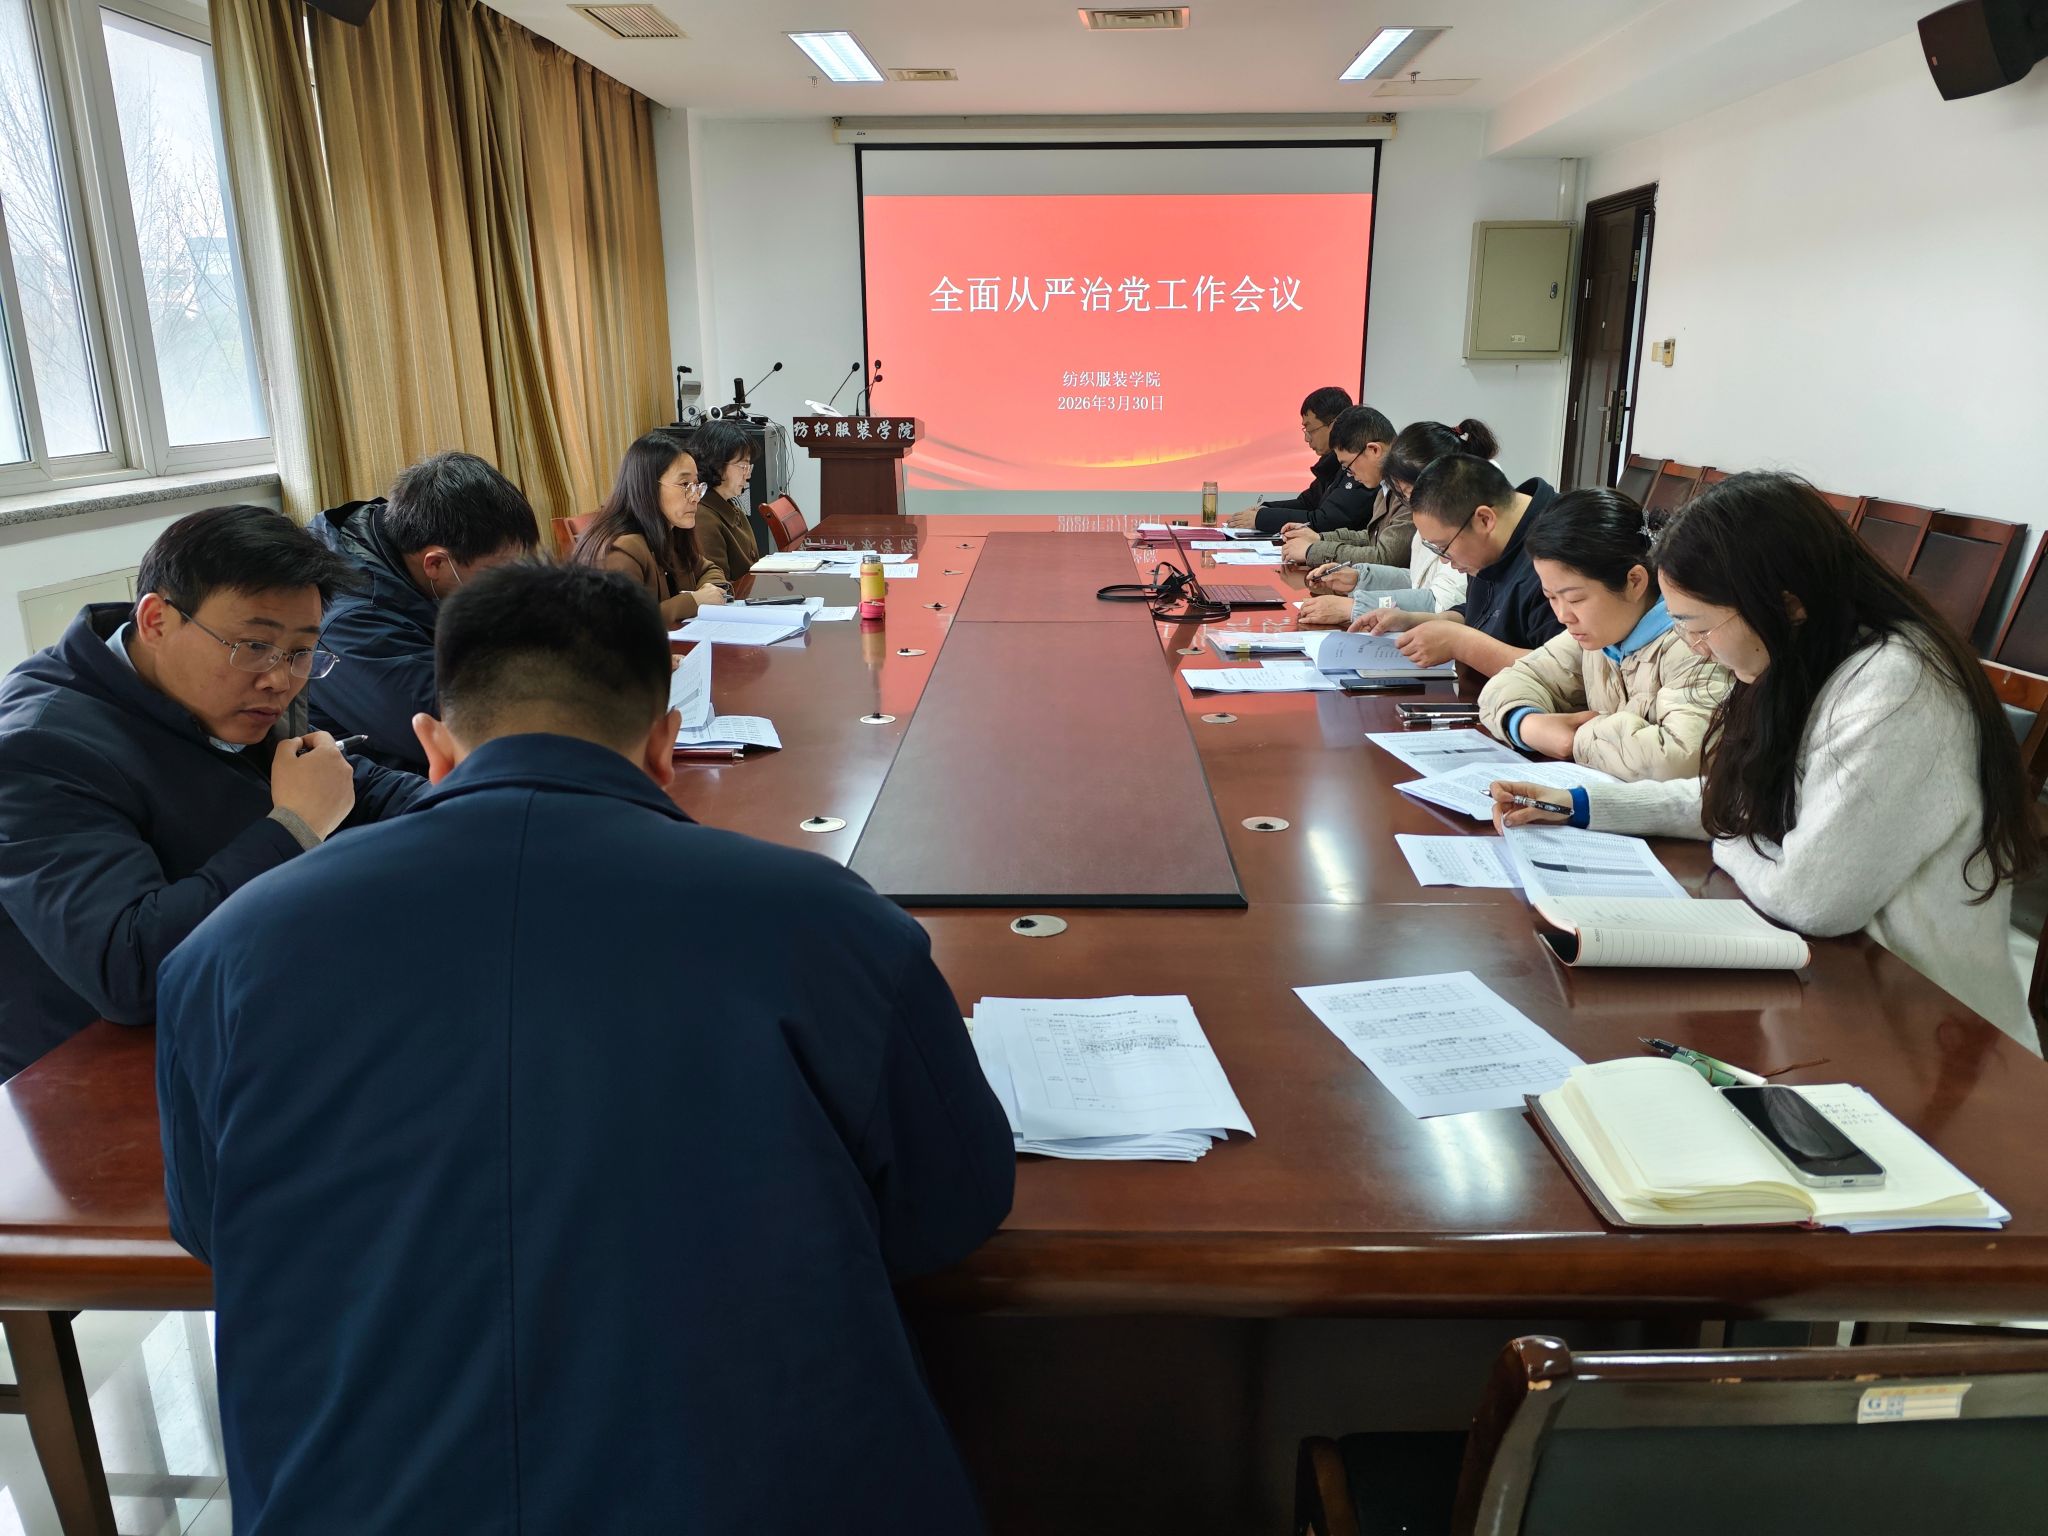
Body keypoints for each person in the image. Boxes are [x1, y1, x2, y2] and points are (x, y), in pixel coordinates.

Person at [156, 562, 1016, 1530]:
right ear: (664, 745)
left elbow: (213, 1227)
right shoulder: (830, 924)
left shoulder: (227, 950)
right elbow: (950, 1209)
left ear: (434, 748)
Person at [1492, 473, 2040, 1048]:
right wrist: (1585, 804)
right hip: (1838, 988)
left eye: (1700, 627)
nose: (1697, 649)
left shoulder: (1894, 688)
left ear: (1786, 604)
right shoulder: (1804, 656)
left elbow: (1811, 898)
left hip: (1928, 1027)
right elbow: (1739, 795)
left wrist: (1730, 838)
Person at [0, 506, 423, 1080]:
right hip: (97, 1070)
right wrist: (294, 828)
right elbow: (130, 973)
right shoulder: (39, 747)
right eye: (253, 644)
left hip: (243, 1004)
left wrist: (472, 804)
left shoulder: (246, 685)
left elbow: (343, 778)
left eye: (302, 652)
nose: (279, 679)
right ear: (156, 620)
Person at [307, 450, 539, 770]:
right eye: (497, 573)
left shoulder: (405, 542)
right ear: (436, 563)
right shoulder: (351, 627)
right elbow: (460, 732)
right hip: (386, 782)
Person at [1477, 488, 1730, 780]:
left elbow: (1679, 758)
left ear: (1634, 582)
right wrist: (1526, 723)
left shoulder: (1696, 646)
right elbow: (1512, 681)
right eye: (1551, 597)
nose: (1562, 615)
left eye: (1575, 599)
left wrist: (1577, 739)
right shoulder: (1599, 636)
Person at [1346, 453, 1564, 676]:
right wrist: (1413, 620)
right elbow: (1480, 613)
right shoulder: (1491, 539)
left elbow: (1564, 671)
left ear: (1484, 520)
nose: (1444, 560)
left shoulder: (1560, 551)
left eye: (1444, 547)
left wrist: (1461, 644)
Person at [1293, 419, 1479, 626]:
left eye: (1407, 492)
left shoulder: (1466, 525)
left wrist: (1356, 607)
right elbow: (1419, 580)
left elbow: (1442, 603)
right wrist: (1360, 579)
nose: (1408, 502)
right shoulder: (1434, 512)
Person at [572, 427, 729, 625]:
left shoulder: (670, 532)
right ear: (648, 486)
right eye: (684, 485)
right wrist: (693, 602)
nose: (695, 497)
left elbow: (708, 569)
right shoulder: (618, 550)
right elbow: (624, 624)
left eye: (697, 485)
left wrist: (708, 591)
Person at [1266, 405, 1402, 546]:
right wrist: (1319, 539)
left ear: (1374, 450)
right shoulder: (1385, 488)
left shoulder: (1406, 490)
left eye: (1348, 466)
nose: (1351, 474)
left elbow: (1385, 554)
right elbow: (1372, 536)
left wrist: (1312, 550)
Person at [1226, 385, 1352, 532]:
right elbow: (1307, 503)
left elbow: (1324, 520)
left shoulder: (1356, 468)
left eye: (1311, 429)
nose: (1307, 438)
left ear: (1334, 425)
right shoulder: (1330, 466)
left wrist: (1261, 518)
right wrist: (1264, 509)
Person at [689, 418, 762, 580]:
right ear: (716, 464)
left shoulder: (729, 507)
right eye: (743, 466)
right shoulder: (702, 517)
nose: (748, 475)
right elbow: (720, 586)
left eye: (749, 467)